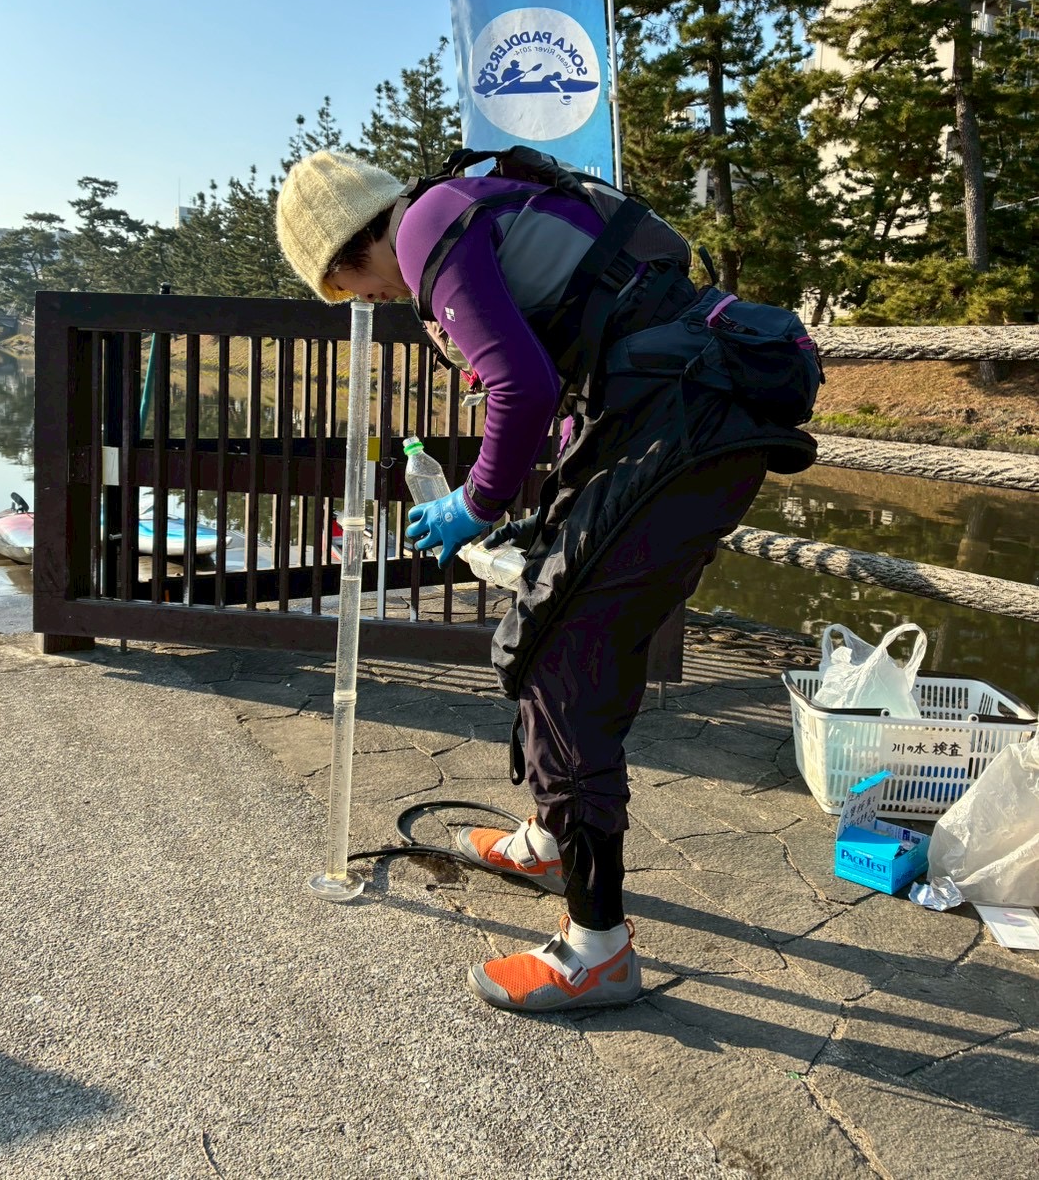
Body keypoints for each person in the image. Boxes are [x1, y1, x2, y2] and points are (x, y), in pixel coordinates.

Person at [276, 148, 816, 1013]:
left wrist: (475, 505)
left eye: (348, 288)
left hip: (693, 414)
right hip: (678, 408)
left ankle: (595, 948)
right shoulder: (466, 206)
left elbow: (519, 388)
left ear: (347, 253)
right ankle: (551, 838)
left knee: (567, 659)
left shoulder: (423, 229)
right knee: (548, 624)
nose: (367, 302)